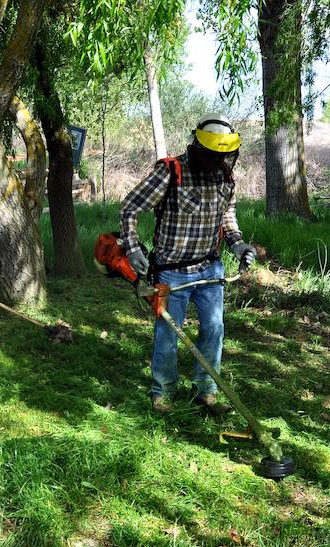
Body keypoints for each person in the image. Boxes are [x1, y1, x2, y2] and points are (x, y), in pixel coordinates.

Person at [120, 114, 256, 415]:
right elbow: (130, 208)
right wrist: (131, 248)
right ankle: (163, 392)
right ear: (199, 148)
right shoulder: (171, 172)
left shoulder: (225, 177)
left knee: (214, 328)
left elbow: (227, 218)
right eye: (214, 156)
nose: (220, 162)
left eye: (225, 156)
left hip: (210, 269)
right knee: (169, 333)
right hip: (171, 271)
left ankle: (205, 391)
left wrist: (238, 244)